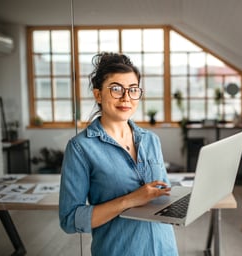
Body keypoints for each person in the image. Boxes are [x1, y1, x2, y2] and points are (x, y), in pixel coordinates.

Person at [59, 52, 178, 256]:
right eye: (116, 89)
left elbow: (161, 194)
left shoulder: (151, 140)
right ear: (98, 94)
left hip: (165, 249)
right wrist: (130, 200)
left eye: (133, 90)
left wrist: (186, 201)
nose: (126, 98)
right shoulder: (80, 148)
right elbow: (70, 219)